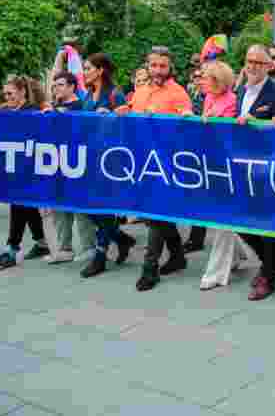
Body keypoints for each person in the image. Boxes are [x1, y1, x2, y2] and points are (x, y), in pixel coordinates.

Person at [115, 46, 192, 291]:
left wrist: (184, 117)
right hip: (143, 161)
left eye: (163, 66)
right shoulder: (139, 92)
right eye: (154, 65)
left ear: (170, 68)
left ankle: (150, 268)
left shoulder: (178, 93)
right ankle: (178, 254)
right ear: (148, 66)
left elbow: (187, 129)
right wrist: (126, 113)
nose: (158, 70)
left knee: (157, 213)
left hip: (167, 163)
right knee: (154, 215)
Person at [232, 45, 275, 301]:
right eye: (249, 61)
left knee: (266, 225)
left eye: (259, 62)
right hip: (242, 165)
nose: (253, 66)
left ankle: (268, 276)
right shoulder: (240, 91)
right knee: (239, 221)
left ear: (269, 66)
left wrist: (267, 129)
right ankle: (272, 262)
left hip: (267, 168)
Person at [77, 53, 136, 278]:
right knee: (87, 207)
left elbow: (125, 127)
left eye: (88, 68)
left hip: (110, 159)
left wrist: (110, 115)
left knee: (104, 207)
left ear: (100, 70)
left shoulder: (114, 94)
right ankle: (122, 239)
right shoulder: (88, 95)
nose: (85, 72)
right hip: (91, 157)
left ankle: (100, 256)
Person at [195, 60, 251, 291]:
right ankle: (238, 253)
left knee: (221, 217)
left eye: (206, 77)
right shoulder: (208, 98)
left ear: (217, 80)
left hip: (229, 163)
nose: (202, 81)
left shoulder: (232, 100)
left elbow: (227, 131)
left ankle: (217, 272)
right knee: (218, 215)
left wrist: (211, 123)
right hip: (211, 161)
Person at [0, 76, 52, 270]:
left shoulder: (31, 112)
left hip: (29, 168)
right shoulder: (9, 111)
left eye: (11, 93)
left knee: (18, 205)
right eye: (5, 94)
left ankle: (12, 248)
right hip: (15, 166)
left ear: (23, 91)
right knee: (27, 206)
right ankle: (42, 243)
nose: (7, 97)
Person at [43, 71, 97, 265]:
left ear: (72, 87)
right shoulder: (55, 106)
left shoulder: (80, 105)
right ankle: (64, 248)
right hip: (57, 161)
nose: (56, 88)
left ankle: (88, 247)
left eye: (60, 85)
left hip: (76, 161)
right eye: (55, 85)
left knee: (79, 206)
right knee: (59, 206)